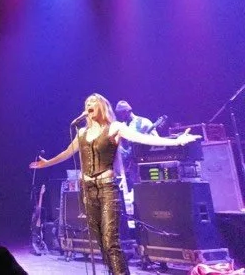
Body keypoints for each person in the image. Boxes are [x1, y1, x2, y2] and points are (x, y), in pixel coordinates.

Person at [29, 93, 200, 275]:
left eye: (92, 102)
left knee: (111, 239)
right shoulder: (81, 133)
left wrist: (175, 141)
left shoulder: (114, 127)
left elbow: (141, 138)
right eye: (86, 102)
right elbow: (67, 153)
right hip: (88, 190)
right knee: (101, 241)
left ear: (102, 106)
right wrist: (46, 163)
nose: (89, 104)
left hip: (107, 188)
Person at [115, 100, 157, 189]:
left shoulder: (144, 122)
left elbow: (156, 140)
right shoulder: (122, 126)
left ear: (127, 111)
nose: (119, 116)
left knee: (146, 188)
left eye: (121, 113)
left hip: (144, 163)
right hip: (129, 165)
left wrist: (145, 139)